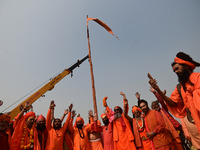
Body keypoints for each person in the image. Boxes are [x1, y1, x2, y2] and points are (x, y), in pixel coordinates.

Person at [148, 52, 200, 148]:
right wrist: (158, 89)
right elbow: (172, 103)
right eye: (174, 71)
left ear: (186, 66)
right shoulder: (179, 87)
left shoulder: (198, 78)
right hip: (193, 129)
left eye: (177, 68)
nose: (176, 72)